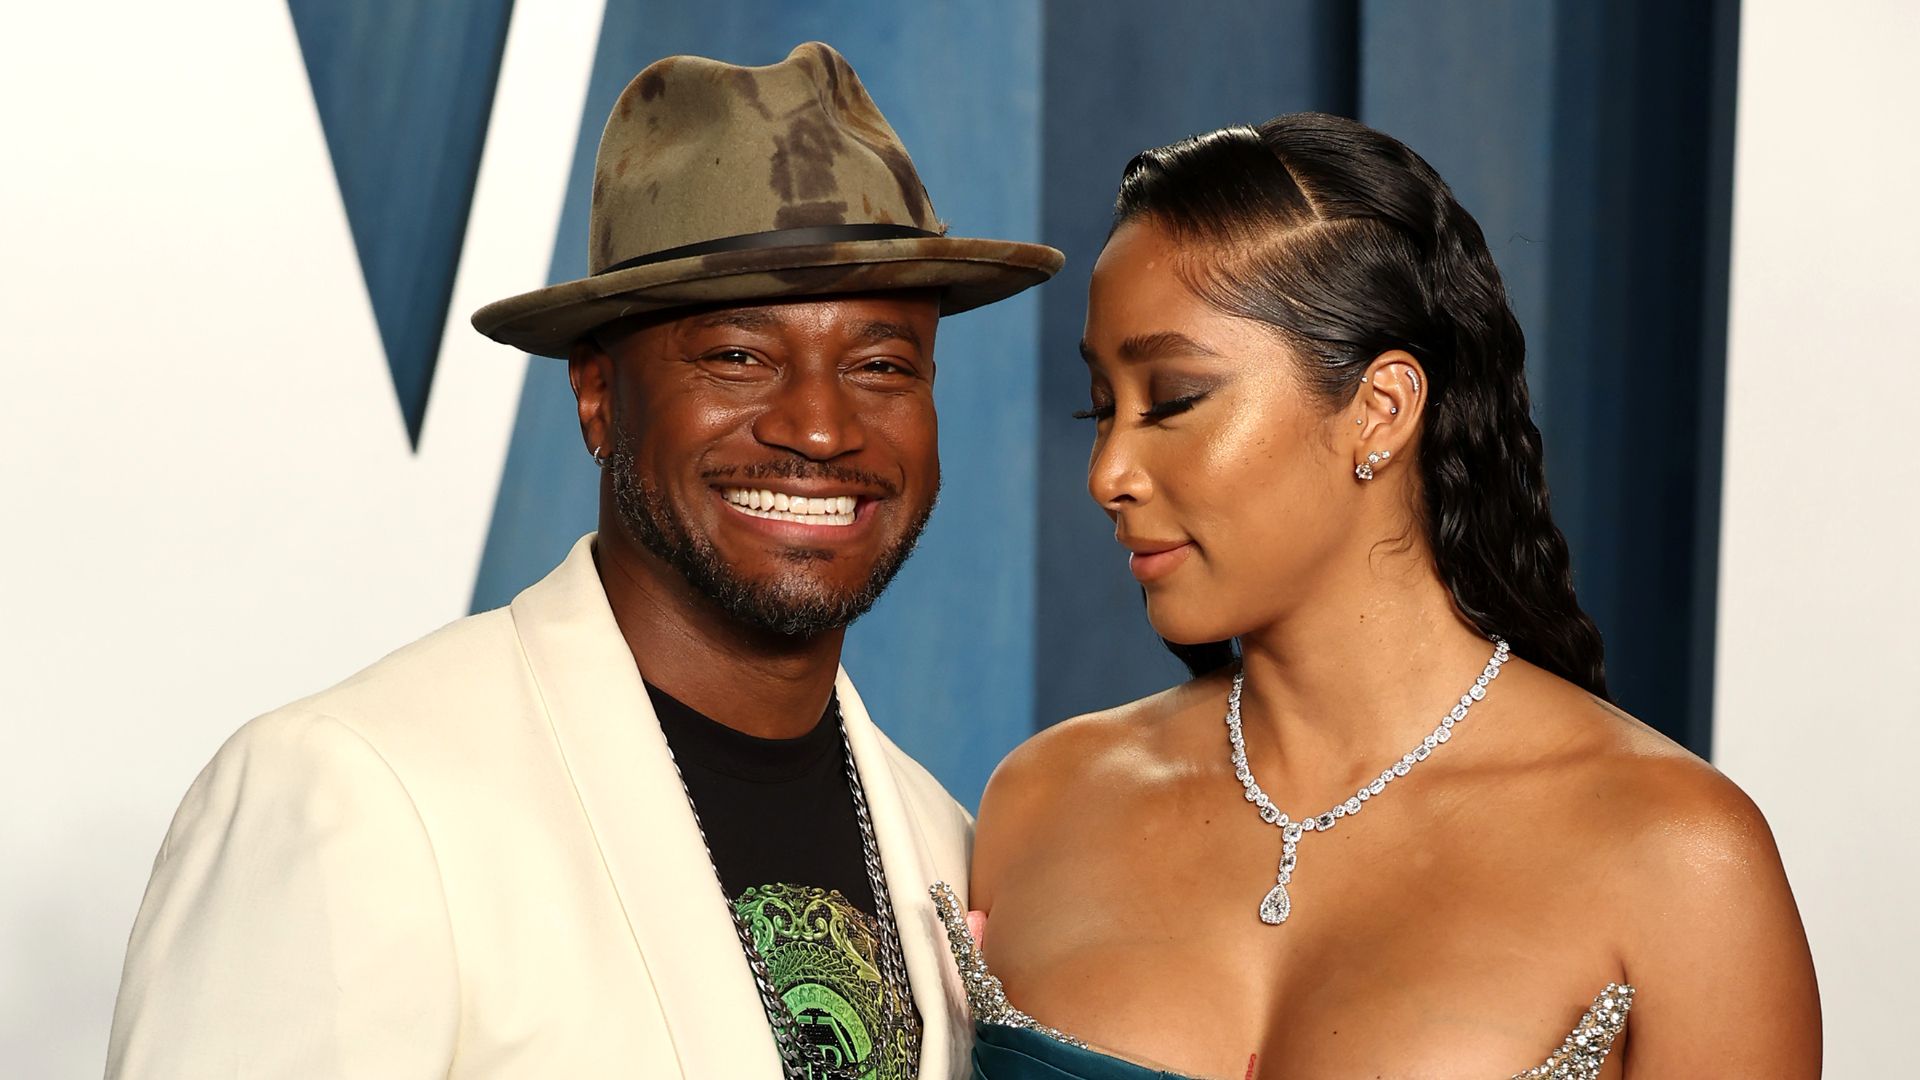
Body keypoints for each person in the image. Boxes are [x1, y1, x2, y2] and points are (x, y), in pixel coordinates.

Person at [106, 42, 1061, 1080]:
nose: (821, 429)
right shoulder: (354, 793)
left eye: (880, 365)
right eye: (739, 356)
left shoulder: (939, 837)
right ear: (598, 397)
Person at [941, 113, 1820, 1078]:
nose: (1108, 471)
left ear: (1382, 409)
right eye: (1102, 409)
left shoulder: (1679, 860)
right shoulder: (1043, 801)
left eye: (1175, 399)